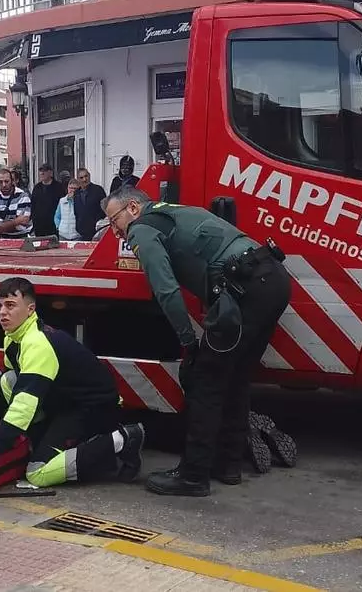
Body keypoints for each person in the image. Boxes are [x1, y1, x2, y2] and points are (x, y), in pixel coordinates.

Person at [102, 186, 292, 497]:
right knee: (236, 377)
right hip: (271, 279)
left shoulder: (143, 228)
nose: (115, 232)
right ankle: (228, 465)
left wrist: (189, 343)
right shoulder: (176, 210)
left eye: (115, 221)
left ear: (133, 208)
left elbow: (166, 291)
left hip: (247, 289)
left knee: (205, 379)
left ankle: (192, 475)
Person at [0, 277, 144, 488]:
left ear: (30, 309)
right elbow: (11, 372)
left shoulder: (37, 345)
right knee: (10, 380)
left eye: (10, 305)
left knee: (37, 473)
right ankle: (40, 442)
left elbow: (22, 409)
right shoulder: (15, 336)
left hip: (93, 410)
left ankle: (123, 439)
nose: (2, 312)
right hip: (66, 399)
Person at [0, 168, 32, 239]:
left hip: (22, 238)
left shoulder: (23, 196)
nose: (4, 185)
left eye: (6, 181)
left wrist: (3, 225)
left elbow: (22, 225)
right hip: (2, 239)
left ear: (12, 181)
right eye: (0, 182)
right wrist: (17, 221)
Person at [28, 163, 64, 237]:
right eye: (40, 171)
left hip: (53, 226)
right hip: (39, 227)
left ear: (50, 173)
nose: (41, 173)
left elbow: (62, 206)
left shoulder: (59, 187)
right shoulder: (37, 188)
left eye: (44, 171)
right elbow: (33, 206)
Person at [72, 168, 106, 240]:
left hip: (97, 230)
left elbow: (105, 209)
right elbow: (76, 212)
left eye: (86, 176)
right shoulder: (76, 193)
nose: (84, 179)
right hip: (81, 231)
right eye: (81, 178)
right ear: (78, 179)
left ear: (89, 176)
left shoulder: (98, 190)